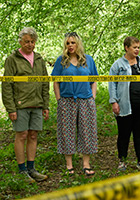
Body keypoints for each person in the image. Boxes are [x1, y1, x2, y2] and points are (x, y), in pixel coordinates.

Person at [2, 27, 49, 183]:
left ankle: (32, 168)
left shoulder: (39, 59)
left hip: (37, 104)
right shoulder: (12, 59)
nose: (30, 44)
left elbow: (44, 83)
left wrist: (45, 105)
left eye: (32, 41)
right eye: (27, 41)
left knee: (33, 135)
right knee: (21, 135)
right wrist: (11, 108)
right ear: (20, 42)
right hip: (20, 105)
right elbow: (7, 85)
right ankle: (22, 170)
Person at [51, 32, 98, 176]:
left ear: (78, 44)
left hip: (86, 100)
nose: (70, 46)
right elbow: (56, 82)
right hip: (67, 101)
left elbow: (94, 80)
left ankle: (86, 164)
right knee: (67, 132)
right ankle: (69, 164)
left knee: (87, 132)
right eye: (68, 43)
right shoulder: (61, 61)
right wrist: (59, 100)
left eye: (73, 42)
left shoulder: (88, 60)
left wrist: (93, 97)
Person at [109, 36, 140, 171]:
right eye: (134, 47)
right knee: (124, 134)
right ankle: (122, 161)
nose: (137, 50)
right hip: (125, 105)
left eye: (138, 47)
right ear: (126, 48)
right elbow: (112, 84)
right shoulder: (118, 65)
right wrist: (114, 102)